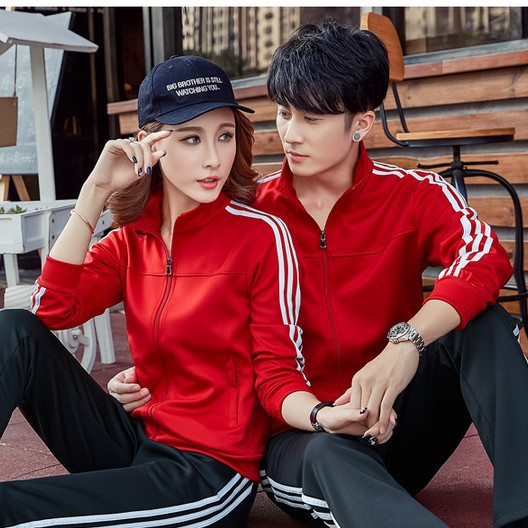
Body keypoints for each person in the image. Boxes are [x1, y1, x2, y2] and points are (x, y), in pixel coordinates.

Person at [108, 23, 528, 528]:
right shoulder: (247, 211)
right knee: (327, 453)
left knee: (482, 324)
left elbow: (484, 256)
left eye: (311, 118)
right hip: (302, 437)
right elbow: (176, 284)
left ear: (361, 123)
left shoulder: (414, 194)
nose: (290, 133)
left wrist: (406, 344)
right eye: (284, 113)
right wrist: (154, 375)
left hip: (395, 422)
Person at [0, 54, 371, 528]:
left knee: (12, 507)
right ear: (151, 145)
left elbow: (276, 372)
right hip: (135, 441)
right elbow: (50, 309)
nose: (214, 158)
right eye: (191, 139)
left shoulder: (260, 236)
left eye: (224, 135)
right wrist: (94, 192)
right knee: (13, 329)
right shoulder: (131, 240)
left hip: (206, 472)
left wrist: (321, 415)